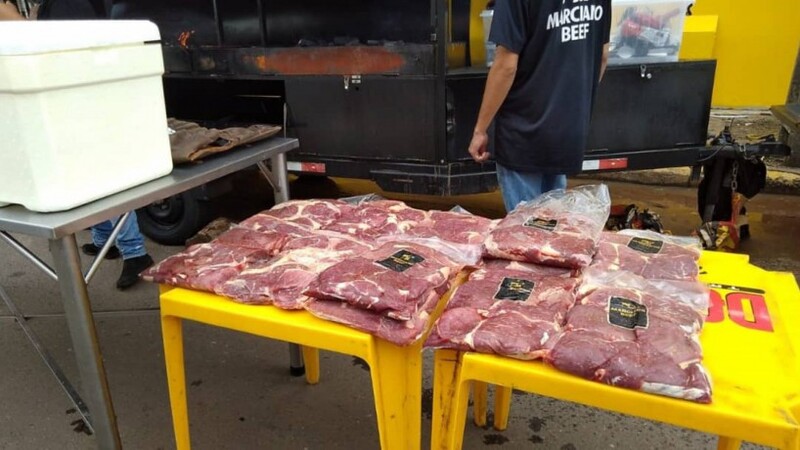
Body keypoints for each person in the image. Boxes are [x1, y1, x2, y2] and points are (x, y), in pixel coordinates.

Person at [2, 0, 154, 288]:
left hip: (81, 101)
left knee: (105, 178)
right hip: (68, 102)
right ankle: (103, 241)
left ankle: (136, 253)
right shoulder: (54, 5)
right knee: (83, 175)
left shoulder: (70, 5)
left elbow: (62, 53)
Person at [468, 0, 611, 212]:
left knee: (526, 234)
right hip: (568, 129)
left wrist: (480, 129)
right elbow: (602, 56)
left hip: (524, 133)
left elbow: (506, 66)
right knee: (552, 228)